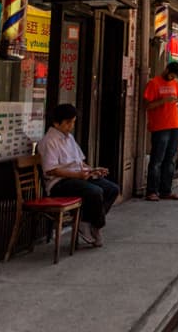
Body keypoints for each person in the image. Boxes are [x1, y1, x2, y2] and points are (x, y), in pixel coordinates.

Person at [40, 103, 119, 248]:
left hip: (77, 177)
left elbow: (80, 162)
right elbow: (51, 170)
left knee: (112, 188)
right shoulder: (49, 141)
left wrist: (93, 170)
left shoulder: (69, 138)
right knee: (95, 192)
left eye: (73, 122)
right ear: (56, 123)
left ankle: (89, 223)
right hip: (60, 183)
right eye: (68, 122)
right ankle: (90, 224)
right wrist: (77, 174)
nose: (71, 126)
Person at [143, 61, 178, 201]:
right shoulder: (154, 83)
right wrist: (164, 100)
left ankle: (166, 190)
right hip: (160, 126)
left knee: (170, 160)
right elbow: (147, 105)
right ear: (166, 70)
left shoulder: (175, 84)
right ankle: (152, 191)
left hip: (174, 125)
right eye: (171, 75)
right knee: (157, 160)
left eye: (174, 77)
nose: (172, 78)